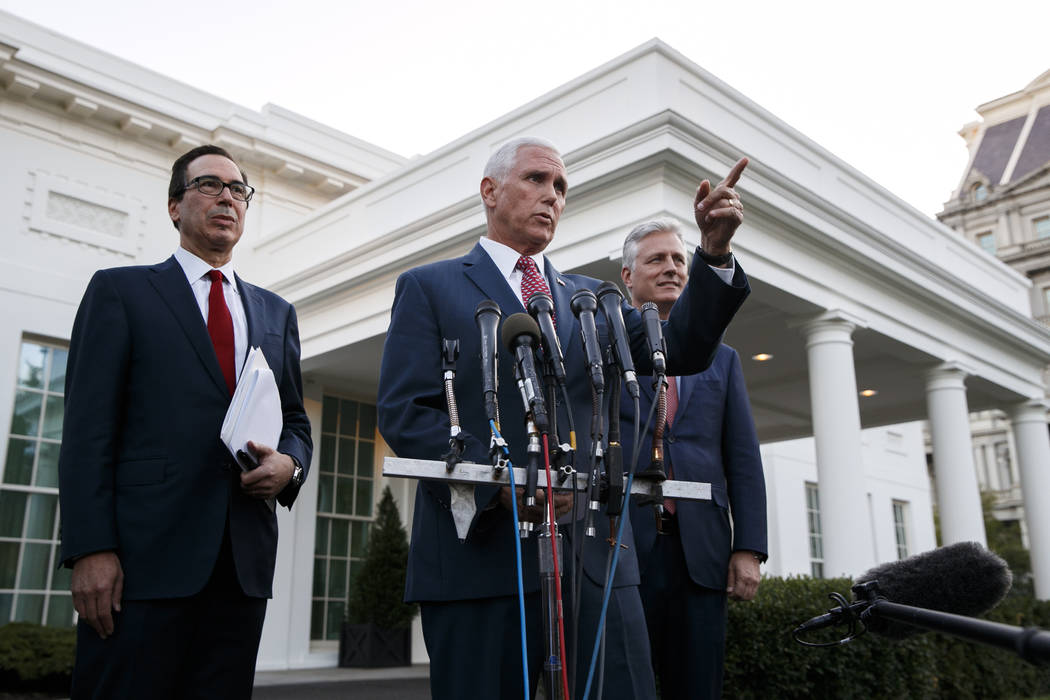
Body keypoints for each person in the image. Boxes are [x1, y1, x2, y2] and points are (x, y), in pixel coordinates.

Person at [377, 136, 751, 699]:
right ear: (489, 191)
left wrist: (714, 256)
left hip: (595, 563)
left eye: (560, 187)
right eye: (535, 180)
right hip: (481, 562)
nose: (551, 195)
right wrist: (499, 482)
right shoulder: (429, 287)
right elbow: (407, 412)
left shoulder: (592, 299)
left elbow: (677, 351)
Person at [57, 145, 312, 700]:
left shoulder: (276, 313)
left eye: (239, 190)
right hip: (140, 567)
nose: (227, 197)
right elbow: (86, 430)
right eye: (209, 186)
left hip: (241, 567)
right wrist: (89, 549)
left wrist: (290, 465)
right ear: (175, 206)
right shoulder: (120, 292)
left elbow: (294, 419)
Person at [620, 218, 767, 700]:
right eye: (656, 259)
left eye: (679, 259)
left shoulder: (723, 360)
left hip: (701, 555)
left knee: (698, 686)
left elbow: (742, 457)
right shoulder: (604, 348)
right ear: (628, 276)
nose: (671, 268)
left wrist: (748, 547)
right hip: (624, 551)